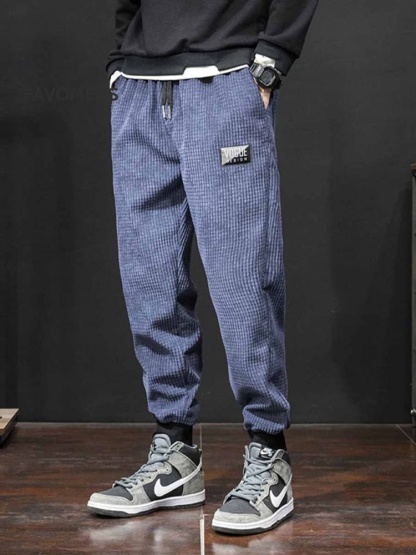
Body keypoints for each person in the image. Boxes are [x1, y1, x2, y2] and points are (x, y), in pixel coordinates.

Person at [87, 0, 318, 536]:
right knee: (149, 278)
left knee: (243, 275)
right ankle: (176, 454)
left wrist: (272, 58)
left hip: (227, 80)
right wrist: (122, 61)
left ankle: (269, 454)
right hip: (140, 88)